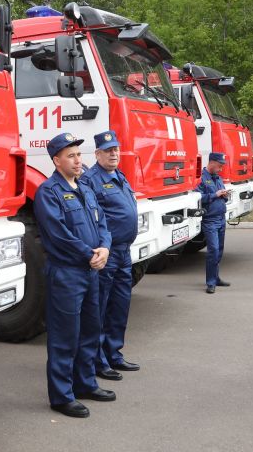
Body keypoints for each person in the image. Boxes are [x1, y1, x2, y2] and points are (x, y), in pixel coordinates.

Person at [34, 132, 114, 419]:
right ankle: (61, 396)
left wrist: (105, 247)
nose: (78, 160)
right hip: (67, 274)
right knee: (64, 336)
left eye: (79, 154)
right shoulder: (48, 192)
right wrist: (89, 254)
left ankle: (85, 384)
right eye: (71, 156)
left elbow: (102, 223)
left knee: (90, 331)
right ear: (57, 161)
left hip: (90, 272)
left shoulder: (85, 188)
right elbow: (59, 234)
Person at [80, 130, 140, 382]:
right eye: (108, 151)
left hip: (124, 251)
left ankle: (113, 353)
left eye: (116, 149)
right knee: (100, 308)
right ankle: (97, 361)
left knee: (120, 305)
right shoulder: (90, 180)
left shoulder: (119, 175)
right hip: (107, 252)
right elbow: (91, 218)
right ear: (97, 154)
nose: (114, 154)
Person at [197, 152, 231, 294]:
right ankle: (210, 282)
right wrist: (215, 195)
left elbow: (222, 197)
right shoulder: (201, 178)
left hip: (221, 218)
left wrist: (225, 195)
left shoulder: (218, 178)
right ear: (211, 162)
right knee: (213, 250)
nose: (221, 168)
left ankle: (216, 278)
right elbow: (198, 197)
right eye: (219, 165)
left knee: (219, 251)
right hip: (210, 220)